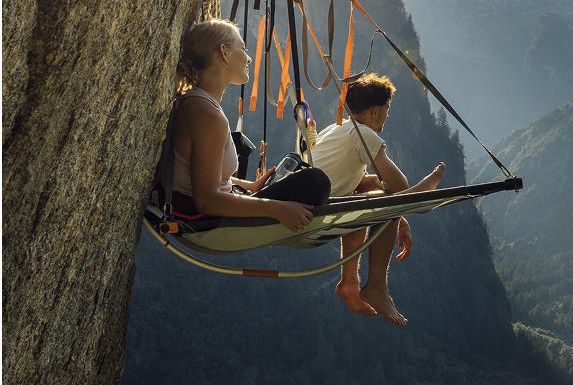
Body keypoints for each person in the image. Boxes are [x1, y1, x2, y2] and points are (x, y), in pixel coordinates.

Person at [310, 73, 445, 326]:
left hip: (309, 198)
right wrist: (402, 211)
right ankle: (376, 286)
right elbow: (399, 187)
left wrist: (394, 214)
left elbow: (336, 176)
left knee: (365, 196)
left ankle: (350, 283)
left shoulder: (337, 127)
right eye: (387, 109)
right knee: (392, 199)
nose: (387, 115)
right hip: (313, 211)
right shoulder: (365, 135)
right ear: (374, 112)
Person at [169, 19, 330, 227]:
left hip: (212, 208)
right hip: (209, 220)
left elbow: (205, 174)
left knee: (305, 175)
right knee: (316, 183)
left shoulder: (199, 104)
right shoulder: (207, 116)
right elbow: (207, 201)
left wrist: (252, 187)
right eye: (243, 49)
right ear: (224, 53)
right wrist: (278, 209)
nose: (249, 59)